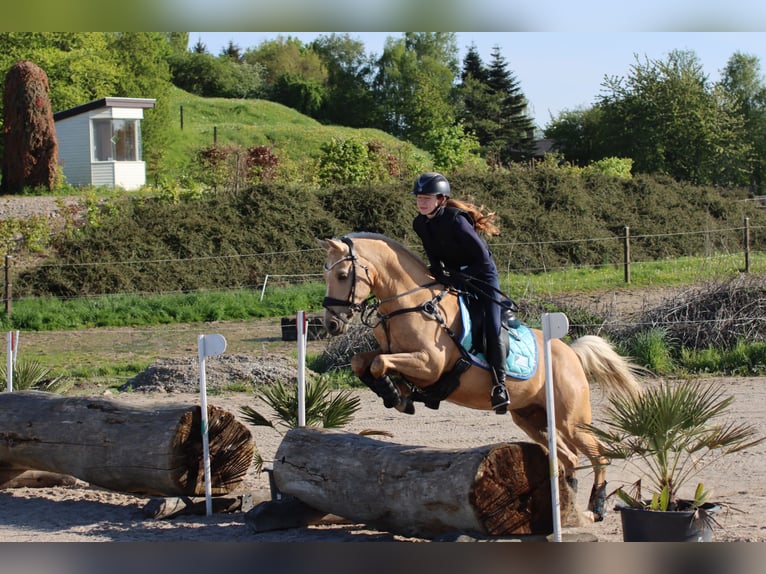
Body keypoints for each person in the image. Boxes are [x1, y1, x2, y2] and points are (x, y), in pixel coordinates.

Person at [411, 172, 514, 414]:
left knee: (491, 324)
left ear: (441, 200)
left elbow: (482, 258)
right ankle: (435, 384)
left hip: (482, 276)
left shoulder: (456, 220)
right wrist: (435, 275)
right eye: (419, 198)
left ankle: (500, 385)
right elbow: (433, 257)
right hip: (455, 277)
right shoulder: (420, 223)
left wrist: (461, 276)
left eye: (427, 198)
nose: (421, 202)